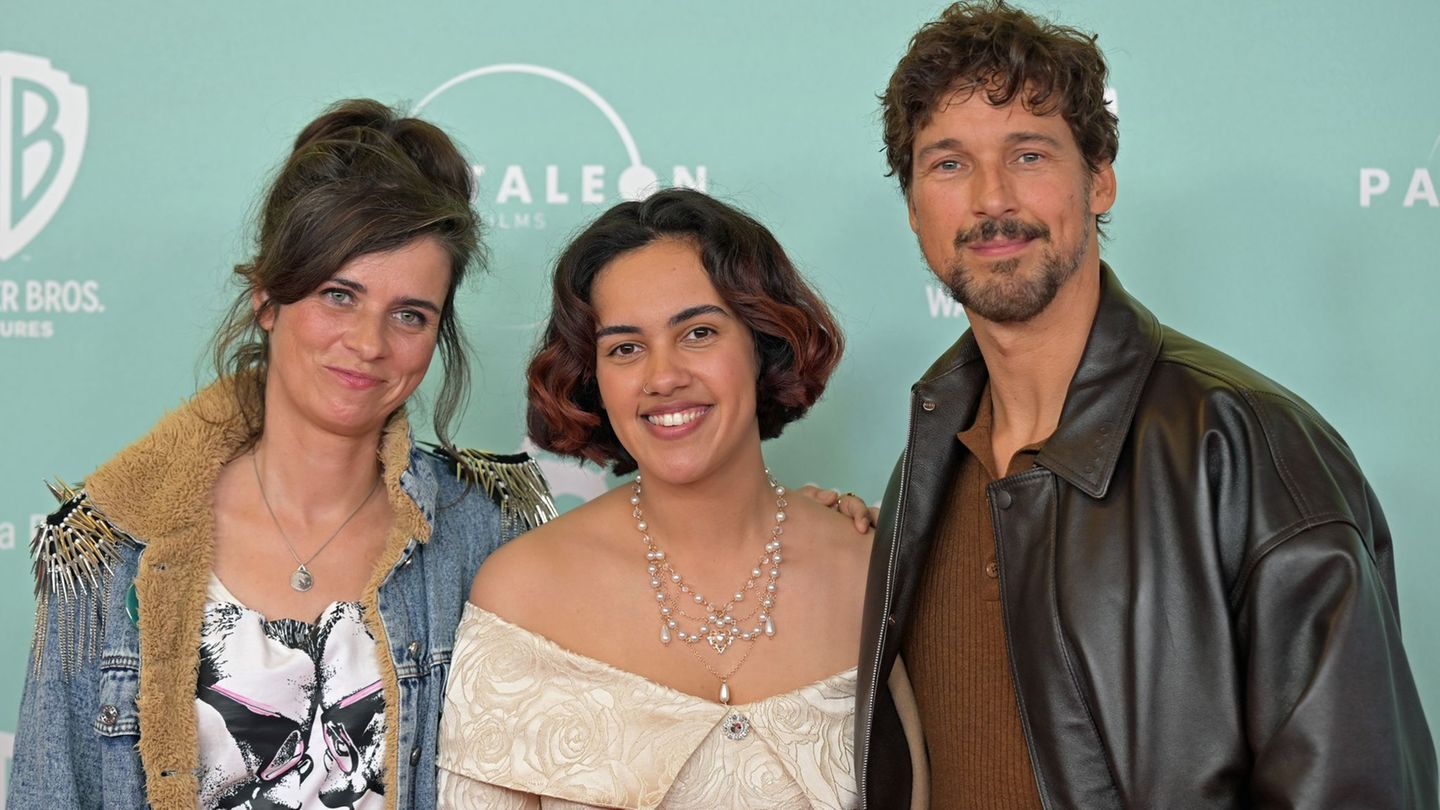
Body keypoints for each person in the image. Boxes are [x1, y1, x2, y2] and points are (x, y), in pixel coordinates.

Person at [855, 3, 1438, 808]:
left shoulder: (1249, 447)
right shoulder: (924, 470)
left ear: (1099, 179)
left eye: (1028, 153)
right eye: (949, 164)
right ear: (916, 208)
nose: (991, 199)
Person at [10, 99, 554, 809]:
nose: (368, 343)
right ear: (268, 297)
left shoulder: (488, 532)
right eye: (339, 295)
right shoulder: (109, 545)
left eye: (410, 314)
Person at [436, 189, 924, 809]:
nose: (663, 377)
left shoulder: (872, 570)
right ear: (594, 378)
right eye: (626, 348)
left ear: (762, 343)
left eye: (697, 332)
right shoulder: (522, 594)